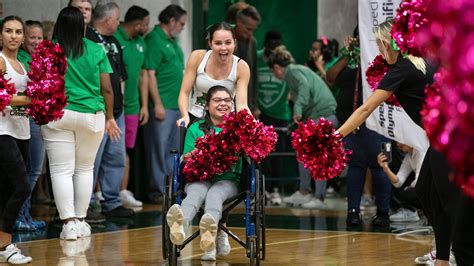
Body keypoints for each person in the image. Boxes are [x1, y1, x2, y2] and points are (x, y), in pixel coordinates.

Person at [334, 20, 461, 265]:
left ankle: (462, 253)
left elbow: (366, 109)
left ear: (387, 44)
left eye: (380, 44)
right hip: (447, 135)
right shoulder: (421, 61)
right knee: (425, 190)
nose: (379, 50)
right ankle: (443, 257)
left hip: (450, 137)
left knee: (449, 200)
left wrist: (336, 136)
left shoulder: (401, 69)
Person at [41, 6, 120, 240]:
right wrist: (110, 117)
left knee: (60, 171)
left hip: (59, 114)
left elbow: (40, 81)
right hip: (92, 115)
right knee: (85, 168)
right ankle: (82, 221)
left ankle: (68, 224)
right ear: (83, 26)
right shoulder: (96, 49)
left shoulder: (50, 50)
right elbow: (107, 87)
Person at [166, 85, 241, 261]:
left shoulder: (237, 129)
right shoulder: (195, 128)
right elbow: (185, 157)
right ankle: (180, 226)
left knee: (214, 195)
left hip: (227, 179)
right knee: (194, 193)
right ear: (206, 105)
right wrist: (199, 151)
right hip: (199, 176)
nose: (223, 104)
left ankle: (209, 238)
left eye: (227, 100)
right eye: (217, 100)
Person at [326, 31, 391, 226]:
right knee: (355, 167)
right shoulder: (350, 59)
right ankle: (353, 212)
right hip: (351, 124)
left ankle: (383, 213)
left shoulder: (382, 58)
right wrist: (348, 53)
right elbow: (330, 76)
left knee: (381, 166)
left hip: (378, 124)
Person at [268, 46, 338, 209]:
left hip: (323, 115)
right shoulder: (295, 71)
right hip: (321, 115)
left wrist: (297, 110)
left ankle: (317, 197)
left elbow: (304, 89)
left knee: (316, 155)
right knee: (304, 151)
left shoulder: (292, 72)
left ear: (277, 68)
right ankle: (305, 192)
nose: (274, 74)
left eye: (274, 70)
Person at [86, 1, 134, 218]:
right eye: (116, 19)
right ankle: (85, 205)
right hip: (97, 110)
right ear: (107, 19)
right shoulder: (87, 37)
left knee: (115, 156)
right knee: (92, 159)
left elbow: (121, 76)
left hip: (117, 111)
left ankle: (111, 202)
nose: (118, 22)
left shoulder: (114, 41)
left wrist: (119, 106)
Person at [143, 4, 187, 203]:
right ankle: (157, 190)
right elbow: (149, 74)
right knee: (158, 150)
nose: (183, 27)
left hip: (176, 105)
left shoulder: (173, 40)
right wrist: (157, 104)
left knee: (173, 149)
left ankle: (171, 188)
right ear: (171, 21)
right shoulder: (154, 40)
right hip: (162, 106)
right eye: (182, 23)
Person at [0, 15, 34, 264]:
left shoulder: (24, 65)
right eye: (9, 31)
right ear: (1, 35)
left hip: (22, 130)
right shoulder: (0, 61)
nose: (14, 36)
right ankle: (5, 244)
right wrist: (35, 99)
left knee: (8, 189)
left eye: (18, 32)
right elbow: (4, 96)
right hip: (2, 131)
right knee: (22, 186)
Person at [176, 21, 250, 127]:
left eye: (228, 43)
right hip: (195, 118)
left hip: (226, 122)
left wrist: (251, 125)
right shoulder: (197, 57)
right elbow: (184, 92)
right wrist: (184, 115)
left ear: (234, 43)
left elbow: (242, 105)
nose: (223, 48)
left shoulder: (241, 67)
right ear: (210, 43)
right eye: (218, 43)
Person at [114, 5, 150, 207]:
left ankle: (123, 190)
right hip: (116, 106)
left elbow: (144, 74)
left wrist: (144, 105)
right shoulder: (116, 39)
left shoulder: (141, 43)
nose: (147, 26)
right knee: (112, 151)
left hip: (133, 106)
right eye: (145, 23)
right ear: (137, 24)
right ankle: (102, 193)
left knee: (127, 150)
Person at [14, 20, 47, 232]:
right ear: (24, 39)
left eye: (40, 37)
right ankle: (18, 215)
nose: (36, 41)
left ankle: (25, 214)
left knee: (34, 169)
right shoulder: (21, 59)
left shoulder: (44, 59)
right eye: (32, 37)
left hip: (40, 118)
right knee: (27, 169)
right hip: (25, 118)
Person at [257, 30, 290, 205]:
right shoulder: (256, 58)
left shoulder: (285, 59)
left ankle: (275, 189)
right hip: (261, 113)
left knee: (279, 154)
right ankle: (264, 189)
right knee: (262, 154)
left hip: (281, 114)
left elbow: (290, 86)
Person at [377, 142, 426, 222]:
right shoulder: (409, 156)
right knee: (406, 194)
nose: (398, 143)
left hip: (436, 188)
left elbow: (420, 181)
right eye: (397, 140)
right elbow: (398, 182)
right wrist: (386, 168)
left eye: (402, 139)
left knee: (410, 193)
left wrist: (409, 187)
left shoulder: (421, 152)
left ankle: (432, 215)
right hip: (427, 188)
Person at [232, 5, 261, 116]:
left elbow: (254, 74)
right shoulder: (224, 39)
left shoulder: (252, 42)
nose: (250, 33)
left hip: (245, 102)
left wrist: (254, 105)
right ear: (238, 22)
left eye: (253, 30)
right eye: (248, 29)